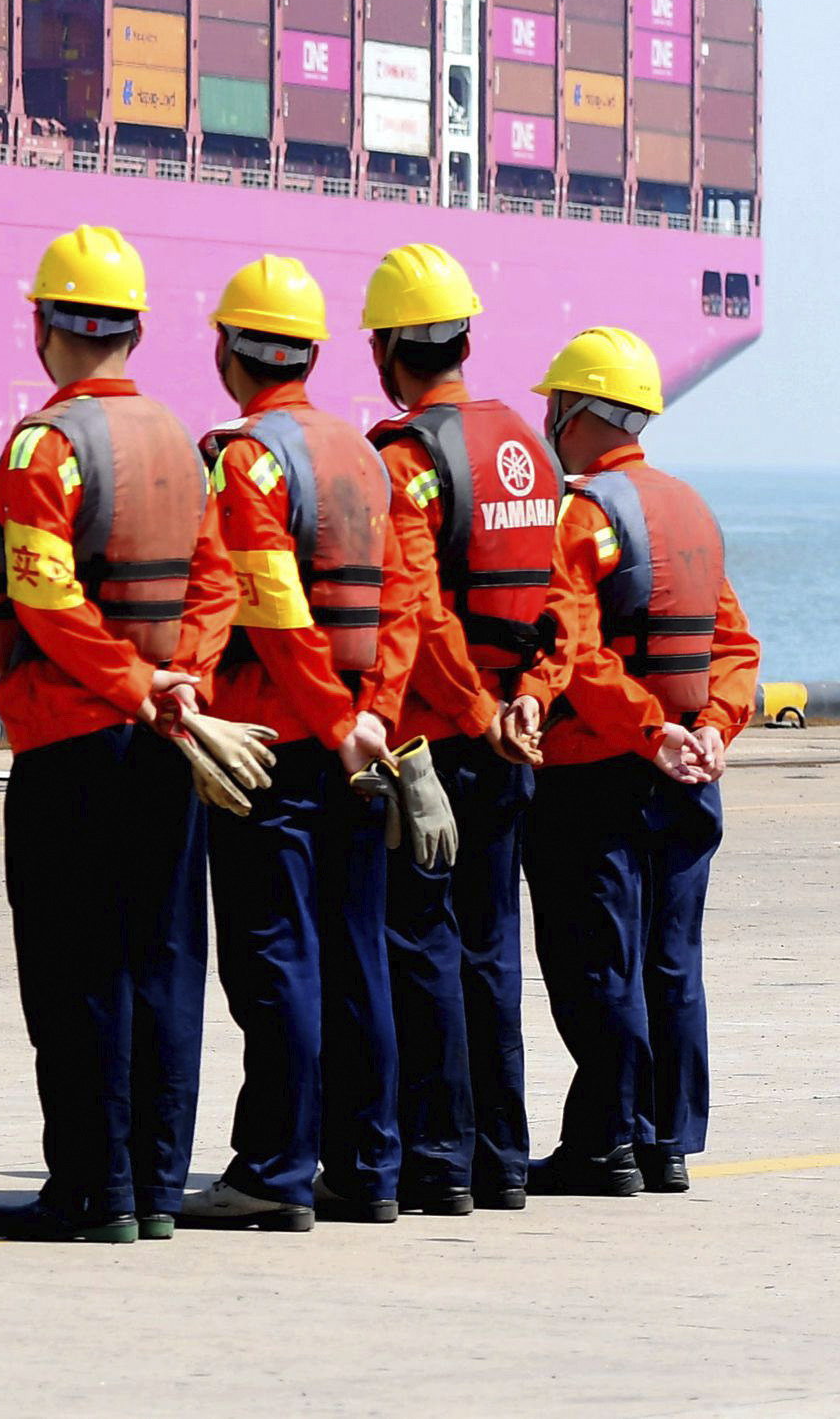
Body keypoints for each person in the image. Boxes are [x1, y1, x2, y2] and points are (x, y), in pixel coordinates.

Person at [0, 224, 253, 1244]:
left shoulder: (43, 445)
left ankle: (90, 1190)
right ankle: (150, 1187)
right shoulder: (180, 443)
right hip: (168, 743)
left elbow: (46, 597)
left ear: (45, 326)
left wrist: (139, 684)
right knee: (166, 958)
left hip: (72, 741)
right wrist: (181, 679)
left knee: (75, 964)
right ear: (134, 329)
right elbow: (220, 582)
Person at [172, 255, 416, 1233]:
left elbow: (268, 604)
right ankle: (367, 1164)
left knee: (273, 958)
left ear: (230, 350)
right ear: (313, 350)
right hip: (356, 742)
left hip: (273, 745)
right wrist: (373, 718)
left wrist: (326, 720)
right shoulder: (364, 456)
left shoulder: (248, 459)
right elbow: (405, 599)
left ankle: (274, 1165)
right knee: (357, 955)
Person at [512, 325, 760, 1197]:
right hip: (692, 776)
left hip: (597, 772)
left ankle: (603, 1147)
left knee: (596, 963)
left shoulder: (584, 515)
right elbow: (735, 645)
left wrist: (651, 730)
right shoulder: (691, 508)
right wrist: (715, 731)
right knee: (670, 960)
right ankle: (667, 1144)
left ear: (577, 410)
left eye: (553, 403)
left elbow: (576, 651)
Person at [360, 241, 566, 1212]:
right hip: (514, 739)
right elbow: (561, 597)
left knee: (423, 944)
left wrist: (480, 713)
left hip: (441, 745)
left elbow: (416, 611)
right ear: (466, 337)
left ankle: (437, 1161)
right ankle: (504, 1159)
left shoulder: (408, 457)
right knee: (491, 945)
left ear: (389, 349)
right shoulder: (526, 440)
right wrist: (532, 694)